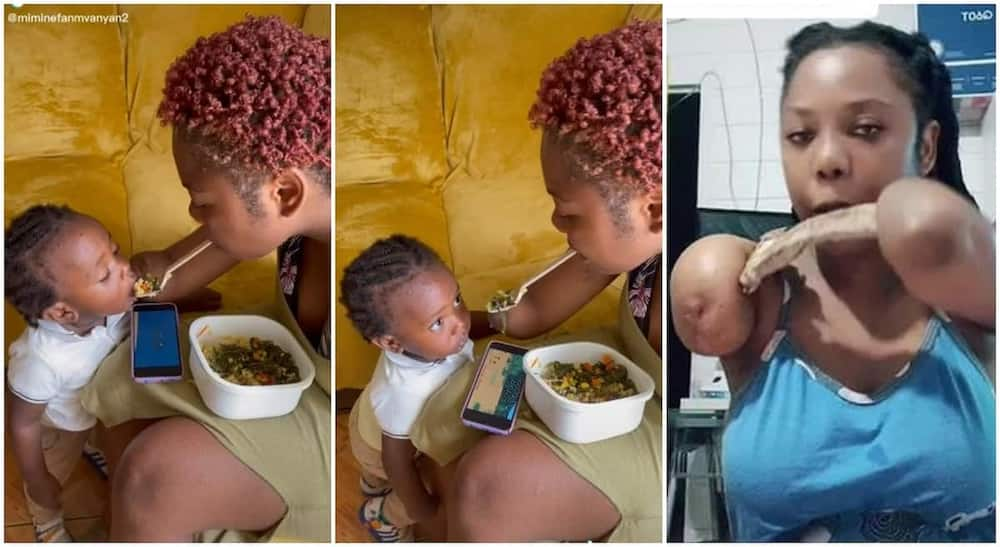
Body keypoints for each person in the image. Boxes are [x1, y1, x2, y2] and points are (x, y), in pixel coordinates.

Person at [670, 21, 995, 541]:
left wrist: (836, 222)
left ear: (928, 148)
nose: (825, 161)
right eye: (800, 135)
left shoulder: (969, 292)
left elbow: (939, 227)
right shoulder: (755, 291)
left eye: (865, 129)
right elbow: (699, 307)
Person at [402, 19, 663, 542]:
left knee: (489, 484)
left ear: (652, 209)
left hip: (659, 428)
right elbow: (531, 313)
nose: (555, 225)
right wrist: (455, 324)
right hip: (608, 374)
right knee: (449, 406)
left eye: (568, 213)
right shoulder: (632, 238)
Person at [77, 15, 332, 541]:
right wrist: (100, 283)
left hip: (335, 420)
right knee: (122, 371)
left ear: (283, 193)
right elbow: (164, 276)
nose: (195, 217)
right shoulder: (283, 215)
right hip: (274, 377)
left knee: (157, 474)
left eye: (203, 203)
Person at [5, 206, 133, 542]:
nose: (124, 269)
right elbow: (23, 424)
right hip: (60, 428)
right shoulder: (39, 361)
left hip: (95, 406)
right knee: (53, 478)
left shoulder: (111, 306)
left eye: (116, 251)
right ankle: (45, 520)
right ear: (63, 311)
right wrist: (37, 479)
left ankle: (93, 449)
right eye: (105, 275)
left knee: (99, 432)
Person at [341, 235, 474, 542]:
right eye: (438, 323)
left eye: (457, 299)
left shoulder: (436, 339)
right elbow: (397, 463)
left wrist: (498, 321)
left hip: (369, 418)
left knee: (376, 474)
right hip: (379, 448)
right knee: (420, 484)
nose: (459, 322)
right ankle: (382, 516)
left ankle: (371, 483)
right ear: (391, 342)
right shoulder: (404, 394)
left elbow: (466, 324)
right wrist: (422, 508)